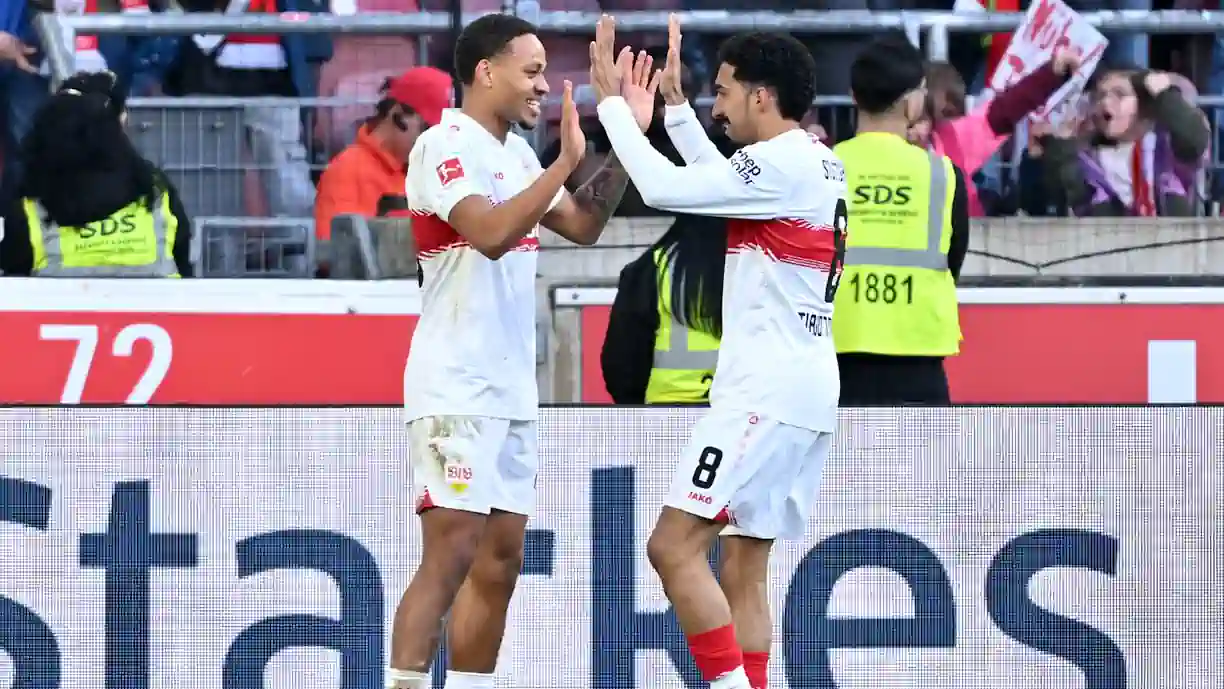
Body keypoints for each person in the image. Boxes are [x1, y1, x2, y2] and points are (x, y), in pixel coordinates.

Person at [387, 14, 658, 689]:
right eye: (532, 71)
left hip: (509, 387)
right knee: (449, 553)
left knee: (501, 559)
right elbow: (488, 232)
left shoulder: (515, 156)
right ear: (485, 72)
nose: (546, 85)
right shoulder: (443, 143)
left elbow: (585, 224)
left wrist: (624, 135)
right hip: (454, 382)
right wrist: (565, 162)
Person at [594, 16, 843, 689]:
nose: (717, 104)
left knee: (672, 546)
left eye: (726, 91)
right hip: (805, 390)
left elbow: (665, 190)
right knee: (744, 568)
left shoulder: (783, 164)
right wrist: (673, 113)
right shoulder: (814, 159)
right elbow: (719, 186)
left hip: (761, 394)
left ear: (762, 96)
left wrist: (617, 110)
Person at [832, 35, 969, 405]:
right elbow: (951, 261)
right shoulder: (942, 174)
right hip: (917, 359)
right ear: (914, 100)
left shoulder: (821, 166)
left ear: (853, 94)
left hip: (833, 357)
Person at [0, 71, 192, 277]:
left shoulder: (29, 209)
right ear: (117, 125)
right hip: (158, 307)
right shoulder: (155, 190)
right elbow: (182, 259)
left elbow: (12, 282)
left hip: (61, 308)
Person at [601, 125, 736, 405]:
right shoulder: (768, 265)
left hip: (666, 422)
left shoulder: (652, 269)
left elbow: (621, 370)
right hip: (746, 421)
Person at [1034, 64, 1209, 217]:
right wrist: (1060, 146)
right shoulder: (1088, 159)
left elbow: (1193, 141)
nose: (1105, 101)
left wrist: (1164, 94)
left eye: (1120, 94)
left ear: (1144, 105)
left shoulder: (1165, 149)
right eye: (1100, 95)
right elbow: (1072, 196)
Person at [314, 67, 452, 242]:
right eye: (429, 130)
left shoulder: (428, 172)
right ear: (398, 116)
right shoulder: (349, 170)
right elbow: (336, 251)